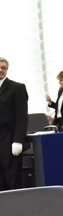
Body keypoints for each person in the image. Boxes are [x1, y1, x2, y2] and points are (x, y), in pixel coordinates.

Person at [0, 57, 28, 191]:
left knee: (11, 177)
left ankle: (16, 209)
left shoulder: (17, 88)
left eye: (3, 68)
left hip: (9, 139)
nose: (1, 70)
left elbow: (22, 117)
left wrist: (18, 141)